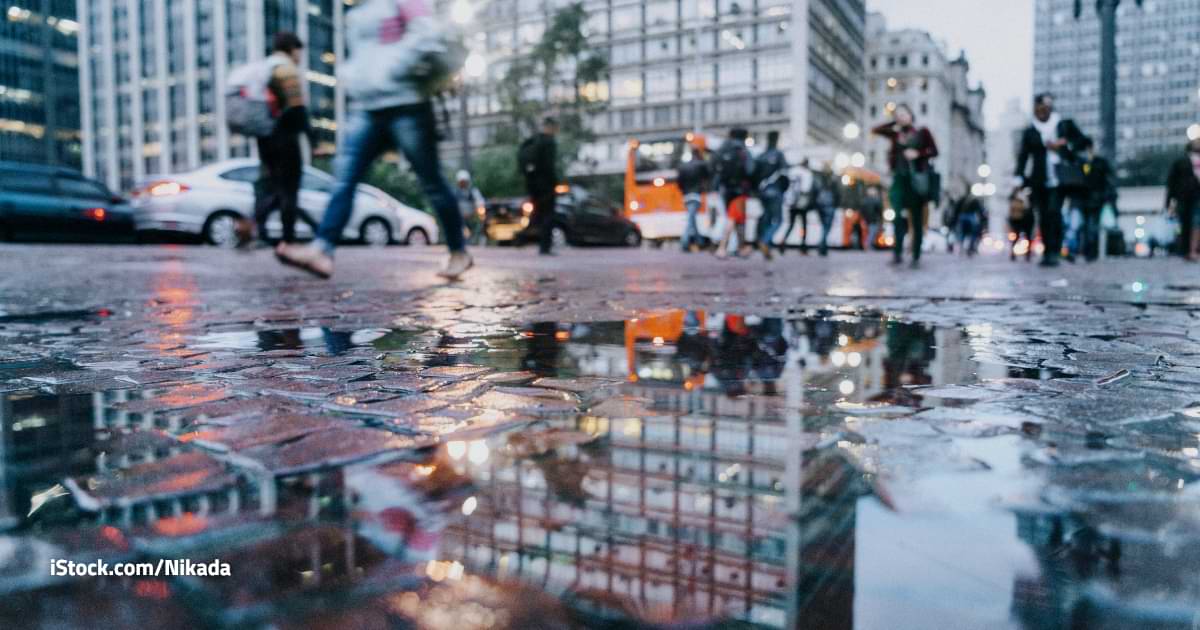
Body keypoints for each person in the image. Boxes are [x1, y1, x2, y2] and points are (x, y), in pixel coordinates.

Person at [275, 0, 470, 279]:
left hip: (407, 104)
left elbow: (427, 34)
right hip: (367, 107)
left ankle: (459, 252)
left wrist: (391, 71)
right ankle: (323, 249)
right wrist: (353, 77)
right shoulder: (357, 13)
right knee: (344, 178)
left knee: (432, 181)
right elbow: (361, 56)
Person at [238, 32, 317, 248]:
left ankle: (250, 224)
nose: (300, 56)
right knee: (289, 189)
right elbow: (298, 108)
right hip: (285, 138)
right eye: (299, 51)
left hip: (265, 139)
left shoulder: (263, 69)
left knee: (274, 187)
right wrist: (314, 143)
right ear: (292, 48)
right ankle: (287, 240)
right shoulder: (286, 69)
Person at [1014, 93, 1089, 267]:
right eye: (1037, 108)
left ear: (1049, 108)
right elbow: (1023, 156)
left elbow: (1083, 142)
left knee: (1054, 212)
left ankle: (1055, 251)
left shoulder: (1063, 125)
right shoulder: (1031, 131)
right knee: (1043, 216)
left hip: (1061, 179)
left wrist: (1064, 144)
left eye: (1044, 108)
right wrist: (1018, 178)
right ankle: (1048, 252)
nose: (1041, 112)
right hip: (1039, 179)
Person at [872, 103, 939, 268]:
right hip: (899, 180)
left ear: (911, 114)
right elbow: (876, 130)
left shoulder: (922, 132)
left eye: (903, 113)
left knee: (916, 220)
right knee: (897, 218)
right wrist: (892, 122)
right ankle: (897, 253)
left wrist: (918, 153)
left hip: (916, 181)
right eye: (897, 115)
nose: (901, 116)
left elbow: (934, 151)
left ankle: (916, 255)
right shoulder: (895, 134)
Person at [520, 117, 561, 256]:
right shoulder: (548, 142)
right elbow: (549, 166)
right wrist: (555, 182)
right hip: (545, 185)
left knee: (538, 214)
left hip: (532, 184)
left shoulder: (533, 141)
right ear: (551, 127)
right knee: (548, 215)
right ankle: (545, 247)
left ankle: (521, 238)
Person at [713, 128, 755, 259]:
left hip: (725, 189)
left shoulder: (722, 149)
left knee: (738, 219)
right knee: (733, 218)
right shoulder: (744, 151)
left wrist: (716, 187)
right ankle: (722, 248)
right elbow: (750, 170)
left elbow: (714, 168)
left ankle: (741, 248)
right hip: (739, 190)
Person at [1074, 138, 1116, 262]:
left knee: (1092, 226)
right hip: (1084, 200)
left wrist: (1107, 197)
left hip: (1097, 199)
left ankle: (1091, 251)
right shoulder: (1081, 163)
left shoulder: (1100, 163)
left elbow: (1108, 180)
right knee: (1085, 226)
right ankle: (1087, 251)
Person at [752, 130, 789, 260]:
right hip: (775, 191)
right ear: (777, 139)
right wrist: (783, 190)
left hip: (762, 192)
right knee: (778, 220)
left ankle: (766, 246)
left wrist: (757, 191)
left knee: (767, 218)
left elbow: (754, 174)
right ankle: (765, 241)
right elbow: (785, 175)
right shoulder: (779, 155)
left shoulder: (761, 156)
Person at [1165, 135, 1200, 262]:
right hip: (1185, 198)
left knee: (1196, 222)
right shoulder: (1181, 161)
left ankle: (1192, 250)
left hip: (1196, 198)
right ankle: (1188, 250)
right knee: (1186, 224)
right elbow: (1172, 183)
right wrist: (1169, 202)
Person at [677, 134, 712, 253]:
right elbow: (708, 177)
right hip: (696, 194)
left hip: (686, 195)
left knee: (692, 218)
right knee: (691, 219)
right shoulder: (701, 165)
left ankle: (699, 241)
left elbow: (679, 182)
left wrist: (683, 191)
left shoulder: (683, 166)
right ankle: (684, 242)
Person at [781, 158, 815, 254]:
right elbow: (806, 189)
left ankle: (783, 242)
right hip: (801, 202)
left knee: (791, 225)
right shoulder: (807, 173)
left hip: (790, 201)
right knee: (803, 225)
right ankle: (803, 247)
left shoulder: (792, 170)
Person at [810, 163, 841, 257]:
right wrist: (836, 204)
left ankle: (824, 247)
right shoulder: (834, 178)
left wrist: (814, 204)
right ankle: (821, 246)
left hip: (820, 205)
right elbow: (838, 192)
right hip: (830, 205)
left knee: (824, 227)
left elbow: (813, 191)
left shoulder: (818, 178)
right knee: (827, 228)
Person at [454, 170, 487, 246]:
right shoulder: (455, 192)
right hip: (460, 218)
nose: (463, 183)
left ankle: (480, 241)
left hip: (473, 217)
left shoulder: (473, 191)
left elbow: (480, 202)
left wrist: (478, 210)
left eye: (464, 181)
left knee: (481, 225)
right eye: (461, 182)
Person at [954, 192, 985, 257]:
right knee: (973, 233)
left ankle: (962, 247)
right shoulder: (975, 200)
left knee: (962, 233)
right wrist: (982, 219)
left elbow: (956, 209)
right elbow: (980, 210)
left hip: (962, 217)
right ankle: (970, 248)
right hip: (970, 217)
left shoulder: (962, 199)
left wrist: (956, 218)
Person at [1008, 189, 1034, 262]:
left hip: (1027, 218)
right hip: (1018, 219)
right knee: (1017, 236)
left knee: (1028, 237)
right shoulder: (1016, 194)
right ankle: (1014, 253)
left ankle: (1028, 254)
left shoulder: (1029, 193)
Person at [861, 185, 884, 250]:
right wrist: (880, 218)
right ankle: (867, 245)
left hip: (867, 219)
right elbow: (879, 210)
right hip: (873, 219)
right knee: (872, 232)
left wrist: (864, 219)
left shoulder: (865, 200)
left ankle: (870, 245)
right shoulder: (876, 200)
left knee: (870, 232)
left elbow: (862, 211)